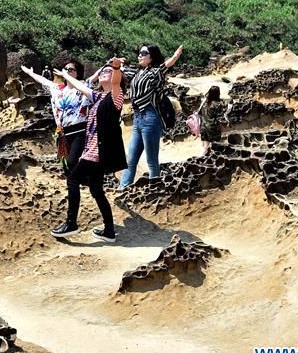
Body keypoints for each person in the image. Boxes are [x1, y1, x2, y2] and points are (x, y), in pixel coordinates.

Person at [50, 60, 127, 241]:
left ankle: (71, 224)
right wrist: (66, 76)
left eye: (108, 72)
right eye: (102, 72)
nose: (104, 74)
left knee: (72, 180)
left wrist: (115, 67)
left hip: (97, 154)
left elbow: (115, 82)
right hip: (91, 151)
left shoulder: (116, 97)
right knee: (96, 190)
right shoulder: (99, 97)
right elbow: (80, 86)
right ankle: (109, 231)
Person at [118, 44, 183, 189]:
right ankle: (123, 187)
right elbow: (121, 71)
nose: (139, 55)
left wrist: (176, 56)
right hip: (138, 118)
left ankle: (155, 188)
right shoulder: (137, 72)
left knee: (151, 160)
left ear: (151, 57)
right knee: (131, 159)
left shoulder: (155, 72)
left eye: (143, 53)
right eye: (139, 52)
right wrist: (118, 64)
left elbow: (167, 65)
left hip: (150, 118)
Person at [20, 59, 94, 173]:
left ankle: (83, 179)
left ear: (77, 73)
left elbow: (95, 77)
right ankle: (74, 187)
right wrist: (30, 73)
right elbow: (43, 80)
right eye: (66, 69)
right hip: (62, 132)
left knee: (72, 162)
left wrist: (111, 66)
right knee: (65, 165)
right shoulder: (57, 89)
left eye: (72, 69)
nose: (68, 71)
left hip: (79, 130)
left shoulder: (83, 86)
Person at [198, 86, 231, 156]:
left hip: (203, 126)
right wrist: (227, 123)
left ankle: (202, 157)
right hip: (213, 128)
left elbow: (200, 113)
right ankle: (206, 157)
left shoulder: (204, 102)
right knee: (213, 146)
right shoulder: (217, 104)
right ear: (217, 93)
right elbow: (220, 118)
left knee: (205, 144)